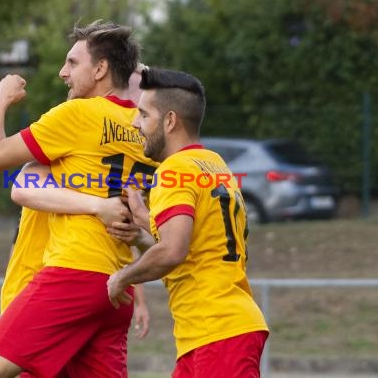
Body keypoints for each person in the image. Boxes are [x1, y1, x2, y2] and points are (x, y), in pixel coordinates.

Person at [0, 21, 158, 378]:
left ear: (100, 69)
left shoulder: (78, 116)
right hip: (116, 289)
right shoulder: (147, 132)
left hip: (72, 274)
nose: (62, 72)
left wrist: (1, 99)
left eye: (72, 63)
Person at [107, 68, 269, 378]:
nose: (136, 123)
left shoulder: (173, 169)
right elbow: (196, 241)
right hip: (210, 333)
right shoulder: (215, 165)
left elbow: (172, 251)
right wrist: (144, 219)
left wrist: (123, 277)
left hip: (218, 330)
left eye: (143, 114)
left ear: (170, 121)